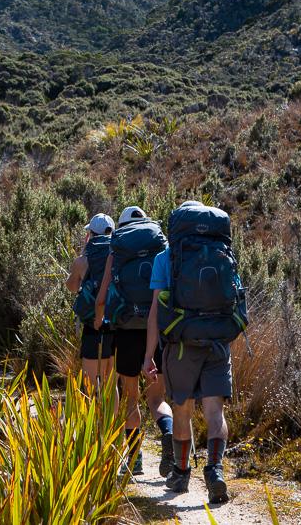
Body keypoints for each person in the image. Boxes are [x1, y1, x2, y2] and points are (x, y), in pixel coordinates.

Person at [143, 201, 244, 505]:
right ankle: (215, 471)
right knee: (215, 412)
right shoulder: (223, 252)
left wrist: (149, 355)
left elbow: (155, 311)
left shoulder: (166, 257)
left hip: (181, 343)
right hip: (218, 341)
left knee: (182, 409)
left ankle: (182, 472)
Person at [94, 206, 175, 477]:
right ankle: (167, 432)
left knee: (131, 398)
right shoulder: (160, 245)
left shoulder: (117, 248)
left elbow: (103, 295)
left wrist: (100, 320)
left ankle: (135, 458)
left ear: (122, 226)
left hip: (127, 330)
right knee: (157, 397)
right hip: (158, 329)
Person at [66, 212, 115, 392]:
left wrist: (82, 255)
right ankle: (113, 412)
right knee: (111, 386)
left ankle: (94, 411)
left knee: (91, 385)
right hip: (116, 322)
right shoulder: (120, 256)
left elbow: (72, 287)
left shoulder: (83, 261)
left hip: (92, 324)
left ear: (91, 234)